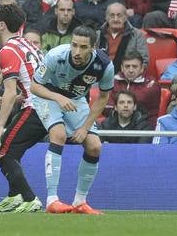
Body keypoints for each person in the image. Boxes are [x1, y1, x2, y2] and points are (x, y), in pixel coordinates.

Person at [29, 25, 116, 214]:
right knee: (58, 135)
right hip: (47, 95)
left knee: (94, 146)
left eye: (83, 47)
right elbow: (34, 87)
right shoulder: (55, 55)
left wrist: (85, 127)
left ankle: (79, 202)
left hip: (75, 99)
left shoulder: (104, 65)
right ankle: (52, 200)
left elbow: (103, 97)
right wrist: (58, 98)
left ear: (93, 48)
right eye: (74, 45)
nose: (77, 51)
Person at [0, 1, 48, 213]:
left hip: (36, 108)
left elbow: (9, 92)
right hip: (45, 107)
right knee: (12, 152)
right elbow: (33, 78)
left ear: (1, 25)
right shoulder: (27, 44)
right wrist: (23, 95)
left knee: (3, 154)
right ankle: (14, 196)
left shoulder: (7, 51)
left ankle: (30, 199)